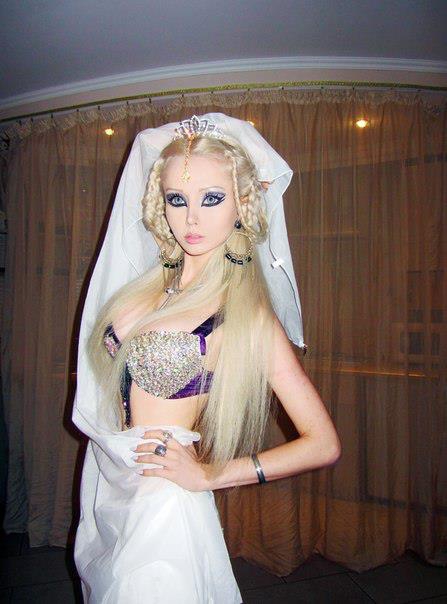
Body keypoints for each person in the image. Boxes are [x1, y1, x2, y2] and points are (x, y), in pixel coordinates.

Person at [72, 113, 341, 603]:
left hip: (162, 507)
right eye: (177, 199)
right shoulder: (147, 289)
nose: (191, 218)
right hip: (109, 483)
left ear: (241, 204)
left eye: (211, 198)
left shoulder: (245, 313)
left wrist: (211, 475)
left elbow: (322, 443)